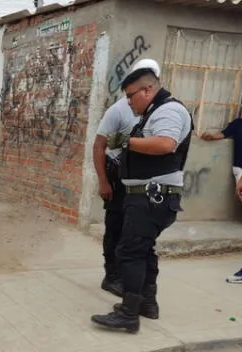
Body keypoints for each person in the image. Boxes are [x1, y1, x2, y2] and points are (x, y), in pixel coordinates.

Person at [91, 60, 193, 333]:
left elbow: (165, 143)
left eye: (130, 96)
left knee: (130, 251)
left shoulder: (168, 110)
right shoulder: (155, 110)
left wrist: (126, 140)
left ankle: (128, 314)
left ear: (147, 90)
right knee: (142, 248)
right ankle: (147, 304)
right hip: (150, 196)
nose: (128, 103)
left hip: (152, 196)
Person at [91, 60, 159, 298]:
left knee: (135, 230)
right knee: (115, 226)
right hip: (118, 174)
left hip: (141, 179)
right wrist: (103, 181)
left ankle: (129, 277)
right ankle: (111, 276)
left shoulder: (157, 112)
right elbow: (99, 146)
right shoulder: (119, 110)